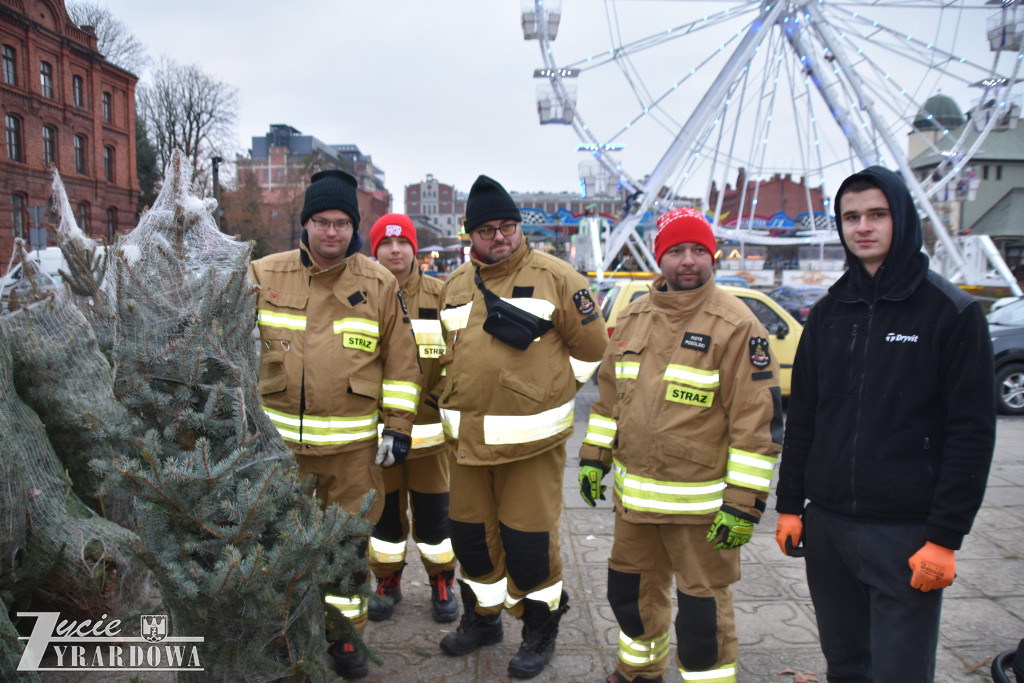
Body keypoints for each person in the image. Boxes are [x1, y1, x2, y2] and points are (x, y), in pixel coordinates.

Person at [774, 165, 996, 682]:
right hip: (828, 528)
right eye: (850, 217)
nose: (863, 227)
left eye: (877, 214)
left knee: (900, 671)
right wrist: (790, 507)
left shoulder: (951, 313)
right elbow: (803, 417)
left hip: (905, 534)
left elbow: (971, 433)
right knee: (845, 665)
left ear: (903, 220)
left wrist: (945, 536)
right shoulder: (828, 313)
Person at [578, 207, 784, 683]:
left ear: (713, 256)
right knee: (629, 596)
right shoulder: (631, 319)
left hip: (702, 512)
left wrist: (744, 504)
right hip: (634, 506)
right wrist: (594, 456)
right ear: (659, 258)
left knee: (701, 616)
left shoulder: (736, 325)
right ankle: (639, 672)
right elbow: (608, 399)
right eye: (676, 251)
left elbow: (756, 424)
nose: (687, 261)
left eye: (697, 250)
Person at [248, 170, 422, 679]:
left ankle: (345, 639)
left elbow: (402, 363)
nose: (331, 233)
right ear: (304, 224)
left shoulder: (378, 283)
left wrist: (399, 427)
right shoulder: (263, 275)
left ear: (354, 228)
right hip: (279, 455)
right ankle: (284, 635)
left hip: (351, 457)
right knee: (280, 548)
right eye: (321, 222)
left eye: (342, 223)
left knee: (347, 547)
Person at [434, 175, 609, 678]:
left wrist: (547, 394)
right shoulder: (455, 287)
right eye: (487, 229)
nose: (500, 237)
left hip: (529, 448)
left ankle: (540, 628)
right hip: (465, 447)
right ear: (470, 235)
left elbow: (593, 352)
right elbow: (447, 358)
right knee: (470, 540)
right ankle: (483, 620)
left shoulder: (557, 277)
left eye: (508, 226)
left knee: (529, 545)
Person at [366, 213, 458, 624]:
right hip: (377, 438)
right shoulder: (361, 294)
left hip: (429, 438)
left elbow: (461, 356)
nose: (395, 250)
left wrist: (439, 399)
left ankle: (442, 579)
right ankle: (388, 580)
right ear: (375, 251)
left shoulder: (441, 296)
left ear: (414, 249)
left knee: (436, 520)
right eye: (386, 244)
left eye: (403, 242)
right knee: (384, 521)